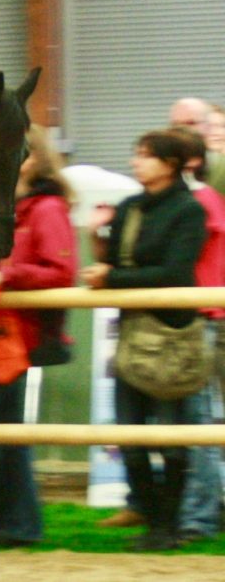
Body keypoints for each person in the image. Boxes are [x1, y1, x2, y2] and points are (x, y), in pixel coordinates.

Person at [0, 125, 77, 547]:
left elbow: (61, 272)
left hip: (24, 337)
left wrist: (2, 278)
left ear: (34, 158)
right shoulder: (4, 210)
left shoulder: (47, 210)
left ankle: (9, 518)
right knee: (5, 433)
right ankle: (17, 526)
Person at [81, 130, 207, 551]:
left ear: (170, 164)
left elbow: (176, 272)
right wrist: (97, 238)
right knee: (130, 437)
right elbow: (113, 262)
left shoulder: (189, 210)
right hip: (133, 334)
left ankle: (167, 528)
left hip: (171, 335)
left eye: (146, 156)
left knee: (172, 439)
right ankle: (155, 524)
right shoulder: (130, 207)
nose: (137, 162)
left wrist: (112, 277)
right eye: (137, 154)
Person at [165, 127, 225, 542]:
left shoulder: (198, 203)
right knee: (198, 421)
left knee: (200, 422)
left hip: (204, 319)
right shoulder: (201, 201)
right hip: (201, 318)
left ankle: (201, 517)